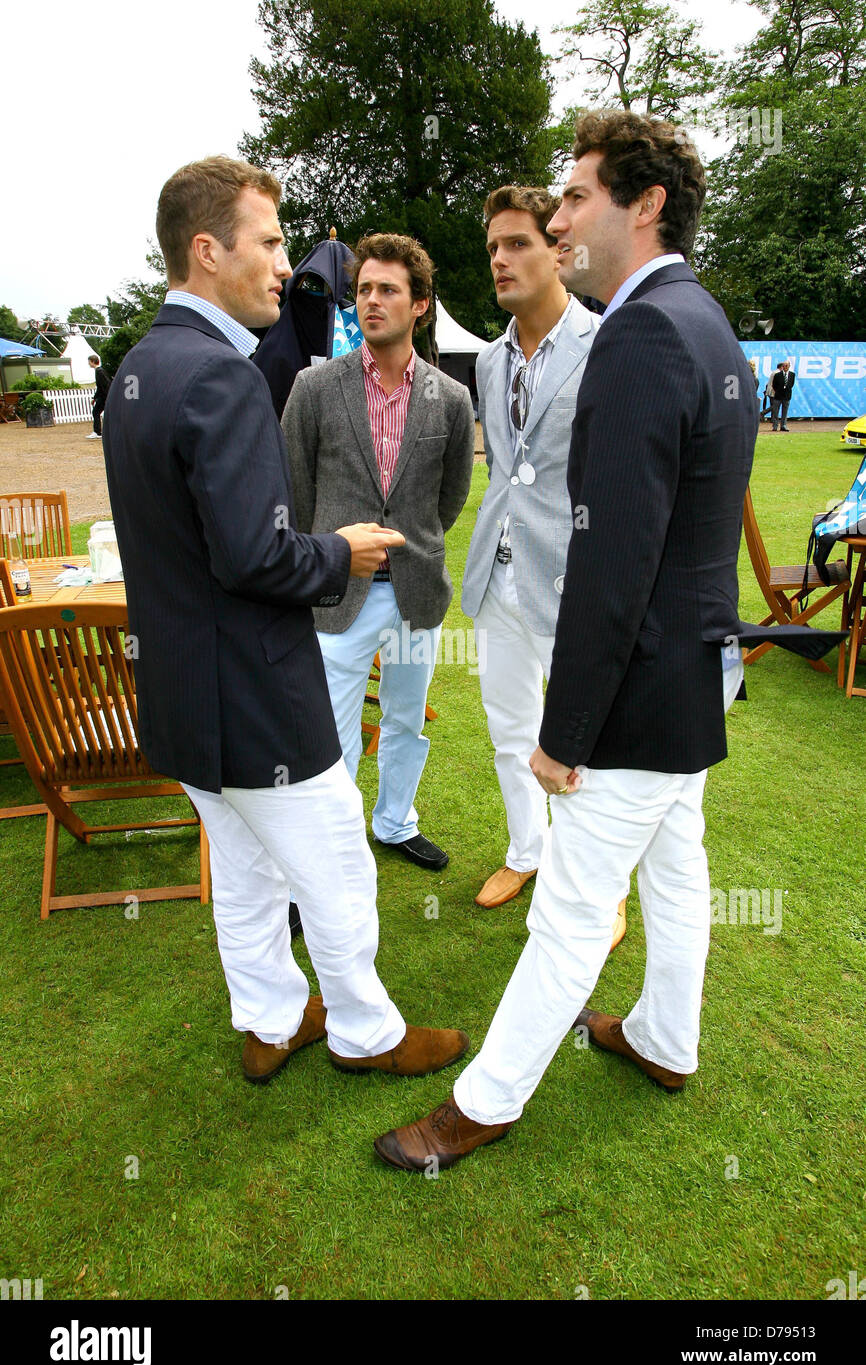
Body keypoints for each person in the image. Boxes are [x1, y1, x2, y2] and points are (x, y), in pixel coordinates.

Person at [373, 110, 843, 1172]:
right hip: (691, 673)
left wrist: (564, 730)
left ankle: (480, 1103)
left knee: (574, 914)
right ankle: (661, 1039)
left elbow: (612, 557)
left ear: (644, 204)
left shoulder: (638, 329)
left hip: (640, 689)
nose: (559, 212)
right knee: (677, 875)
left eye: (576, 193)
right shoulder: (701, 317)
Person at [102, 156, 469, 1086]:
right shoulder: (219, 377)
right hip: (256, 695)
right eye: (267, 241)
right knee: (339, 865)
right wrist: (342, 551)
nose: (286, 265)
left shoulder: (140, 367)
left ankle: (269, 1021)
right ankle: (366, 1034)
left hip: (186, 700)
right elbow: (257, 557)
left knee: (246, 873)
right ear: (205, 249)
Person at [460, 185, 624, 947]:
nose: (500, 258)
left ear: (559, 251)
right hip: (499, 576)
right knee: (508, 729)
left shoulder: (609, 343)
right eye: (492, 246)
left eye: (516, 243)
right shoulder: (489, 361)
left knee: (587, 738)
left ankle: (601, 885)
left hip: (573, 573)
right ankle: (527, 852)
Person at [281, 233, 475, 872]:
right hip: (338, 595)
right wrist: (326, 561)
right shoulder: (314, 387)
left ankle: (395, 823)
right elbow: (297, 492)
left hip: (416, 594)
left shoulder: (450, 397)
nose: (371, 300)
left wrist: (411, 544)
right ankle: (330, 854)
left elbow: (447, 501)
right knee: (330, 736)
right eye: (363, 289)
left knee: (405, 722)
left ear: (420, 303)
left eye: (388, 289)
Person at [86, 354, 112, 439]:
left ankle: (97, 432)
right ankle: (99, 432)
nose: (88, 363)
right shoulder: (100, 371)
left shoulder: (99, 371)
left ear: (93, 361)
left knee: (96, 412)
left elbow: (102, 386)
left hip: (104, 397)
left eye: (89, 361)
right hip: (105, 396)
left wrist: (95, 398)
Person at [770, 359, 795, 431]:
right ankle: (775, 425)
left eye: (787, 365)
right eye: (784, 365)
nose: (785, 367)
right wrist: (778, 391)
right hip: (778, 396)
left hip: (787, 396)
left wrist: (786, 390)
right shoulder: (777, 375)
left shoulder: (792, 375)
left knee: (785, 412)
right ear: (782, 366)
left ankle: (783, 425)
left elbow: (791, 384)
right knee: (775, 412)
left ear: (789, 366)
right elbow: (774, 385)